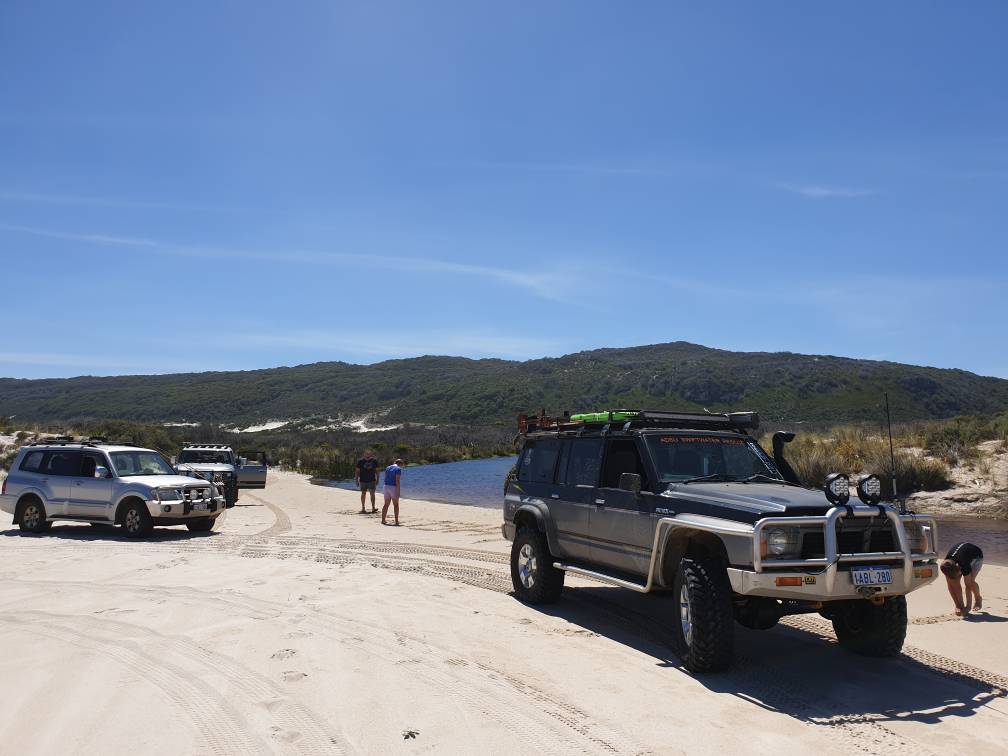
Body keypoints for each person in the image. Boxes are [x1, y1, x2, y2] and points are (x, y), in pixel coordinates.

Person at [940, 542, 984, 617]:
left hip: (976, 557)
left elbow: (968, 586)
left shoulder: (964, 564)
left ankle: (978, 599)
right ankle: (959, 605)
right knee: (952, 583)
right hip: (963, 555)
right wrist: (958, 605)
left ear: (958, 567)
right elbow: (950, 586)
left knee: (971, 581)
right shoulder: (945, 565)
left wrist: (968, 607)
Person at [381, 458, 403, 526]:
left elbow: (386, 478)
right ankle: (396, 521)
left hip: (386, 486)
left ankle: (383, 520)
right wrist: (398, 491)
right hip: (393, 487)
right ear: (400, 464)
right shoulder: (398, 469)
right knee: (396, 505)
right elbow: (397, 481)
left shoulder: (388, 467)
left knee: (386, 504)